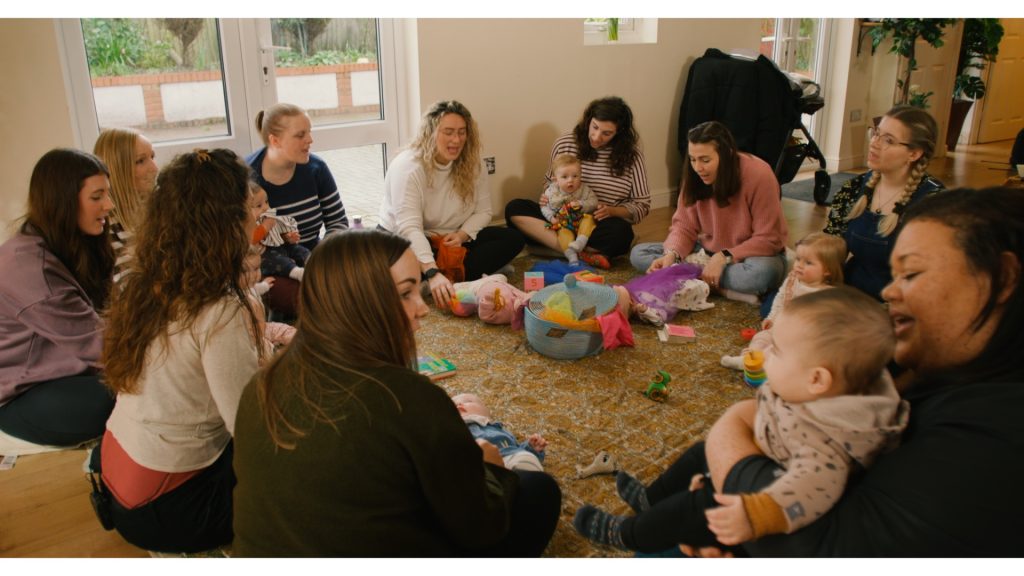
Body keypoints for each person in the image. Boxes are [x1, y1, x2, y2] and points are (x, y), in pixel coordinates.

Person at [698, 187, 1024, 557]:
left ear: (1001, 276)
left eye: (912, 273)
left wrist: (731, 430)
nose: (890, 291)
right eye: (895, 274)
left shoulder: (996, 436)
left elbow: (825, 550)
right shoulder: (925, 364)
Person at [232, 229, 561, 557]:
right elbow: (480, 525)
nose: (423, 308)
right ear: (361, 302)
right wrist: (491, 470)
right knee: (537, 490)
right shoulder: (410, 399)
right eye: (406, 294)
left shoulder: (261, 383)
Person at [573, 287, 908, 553]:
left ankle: (627, 533)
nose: (766, 354)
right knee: (700, 452)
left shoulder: (829, 440)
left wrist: (755, 514)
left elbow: (811, 490)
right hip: (766, 447)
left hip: (762, 498)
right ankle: (651, 498)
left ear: (817, 380)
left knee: (699, 505)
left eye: (776, 351)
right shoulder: (823, 394)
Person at [91, 148, 263, 553]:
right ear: (225, 222)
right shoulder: (218, 310)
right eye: (247, 206)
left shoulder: (142, 281)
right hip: (164, 506)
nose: (255, 216)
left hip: (118, 472)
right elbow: (250, 426)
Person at [0, 148, 116, 447]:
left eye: (108, 194)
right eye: (97, 197)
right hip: (20, 393)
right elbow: (103, 347)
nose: (109, 205)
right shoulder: (28, 268)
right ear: (62, 200)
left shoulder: (65, 242)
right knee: (126, 398)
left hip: (66, 369)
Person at [379, 100, 525, 310]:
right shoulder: (408, 167)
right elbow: (409, 228)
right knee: (388, 271)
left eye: (461, 132)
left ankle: (437, 282)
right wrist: (432, 271)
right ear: (430, 133)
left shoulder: (474, 163)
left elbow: (484, 211)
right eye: (448, 132)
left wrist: (462, 235)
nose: (456, 140)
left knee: (513, 238)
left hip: (452, 240)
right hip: (407, 239)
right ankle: (445, 279)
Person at [631, 121, 788, 304]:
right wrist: (672, 254)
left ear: (726, 154)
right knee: (639, 254)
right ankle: (720, 288)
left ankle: (688, 277)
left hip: (749, 256)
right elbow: (683, 226)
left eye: (705, 160)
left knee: (762, 275)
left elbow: (769, 238)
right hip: (705, 252)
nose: (698, 168)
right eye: (692, 159)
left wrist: (724, 256)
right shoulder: (693, 176)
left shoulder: (759, 174)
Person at [506, 96, 651, 265]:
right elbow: (549, 181)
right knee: (514, 208)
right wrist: (547, 197)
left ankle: (556, 247)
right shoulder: (564, 143)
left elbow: (642, 204)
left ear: (619, 132)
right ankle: (579, 253)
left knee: (622, 233)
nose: (596, 137)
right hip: (560, 219)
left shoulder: (632, 156)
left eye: (607, 133)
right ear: (588, 121)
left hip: (596, 224)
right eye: (594, 127)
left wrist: (612, 211)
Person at [824, 104, 943, 301]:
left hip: (900, 302)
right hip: (850, 291)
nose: (874, 143)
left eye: (888, 140)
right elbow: (831, 245)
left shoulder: (933, 202)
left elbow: (932, 277)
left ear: (914, 154)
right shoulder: (854, 188)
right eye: (876, 133)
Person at [247, 103, 347, 318]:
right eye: (300, 135)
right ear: (275, 140)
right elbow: (242, 239)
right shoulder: (248, 177)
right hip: (270, 265)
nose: (310, 140)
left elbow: (337, 221)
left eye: (309, 132)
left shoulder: (316, 168)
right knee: (314, 301)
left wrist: (324, 258)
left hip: (312, 255)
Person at [721, 232, 847, 370]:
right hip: (782, 325)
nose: (799, 265)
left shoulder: (827, 295)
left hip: (802, 338)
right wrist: (772, 317)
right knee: (762, 337)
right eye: (798, 259)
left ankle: (764, 363)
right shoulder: (793, 279)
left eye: (808, 263)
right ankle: (750, 357)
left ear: (827, 270)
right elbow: (781, 298)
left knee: (785, 350)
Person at [93, 128, 159, 283]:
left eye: (152, 157)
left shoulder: (156, 208)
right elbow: (126, 287)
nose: (155, 168)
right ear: (117, 169)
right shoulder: (105, 225)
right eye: (140, 161)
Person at [453, 393, 548, 472]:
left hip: (507, 457)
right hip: (477, 466)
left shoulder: (498, 429)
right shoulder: (455, 427)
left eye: (468, 401)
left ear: (486, 412)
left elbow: (514, 449)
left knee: (526, 458)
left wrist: (532, 448)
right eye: (453, 406)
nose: (459, 404)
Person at [540, 154, 601, 266]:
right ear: (555, 180)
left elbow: (594, 202)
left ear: (580, 176)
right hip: (563, 222)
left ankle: (580, 243)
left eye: (575, 176)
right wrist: (551, 218)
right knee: (563, 233)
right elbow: (544, 207)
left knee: (589, 219)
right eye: (565, 177)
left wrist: (581, 204)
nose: (570, 180)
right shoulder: (551, 191)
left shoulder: (584, 189)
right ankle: (571, 256)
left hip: (580, 220)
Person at [250, 183, 309, 282]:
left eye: (266, 202)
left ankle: (312, 261)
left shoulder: (267, 218)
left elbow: (275, 234)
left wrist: (286, 237)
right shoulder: (248, 225)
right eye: (259, 205)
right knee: (276, 261)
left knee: (296, 249)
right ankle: (297, 272)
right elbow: (251, 240)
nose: (265, 208)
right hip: (263, 254)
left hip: (278, 247)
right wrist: (265, 226)